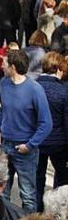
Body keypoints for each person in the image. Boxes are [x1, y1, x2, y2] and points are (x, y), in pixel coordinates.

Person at [0, 49, 53, 213]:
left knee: (27, 194)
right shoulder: (4, 83)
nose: (1, 66)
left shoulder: (35, 89)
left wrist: (30, 145)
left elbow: (46, 123)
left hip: (24, 148)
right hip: (5, 145)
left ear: (13, 67)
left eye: (4, 63)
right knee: (1, 191)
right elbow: (3, 109)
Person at [35, 53, 68, 212]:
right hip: (59, 142)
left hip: (37, 140)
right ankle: (56, 210)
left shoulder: (33, 86)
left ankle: (37, 209)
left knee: (37, 176)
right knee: (61, 177)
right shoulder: (63, 90)